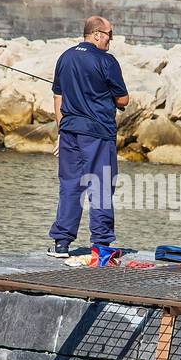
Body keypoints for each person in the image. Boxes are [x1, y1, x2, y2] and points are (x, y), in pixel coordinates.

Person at [47, 15, 130, 258]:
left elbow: (58, 97)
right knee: (101, 186)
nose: (110, 41)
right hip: (98, 133)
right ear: (96, 34)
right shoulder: (107, 61)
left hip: (69, 131)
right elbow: (123, 99)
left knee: (70, 186)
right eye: (109, 35)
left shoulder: (65, 57)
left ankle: (62, 243)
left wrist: (60, 133)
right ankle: (102, 245)